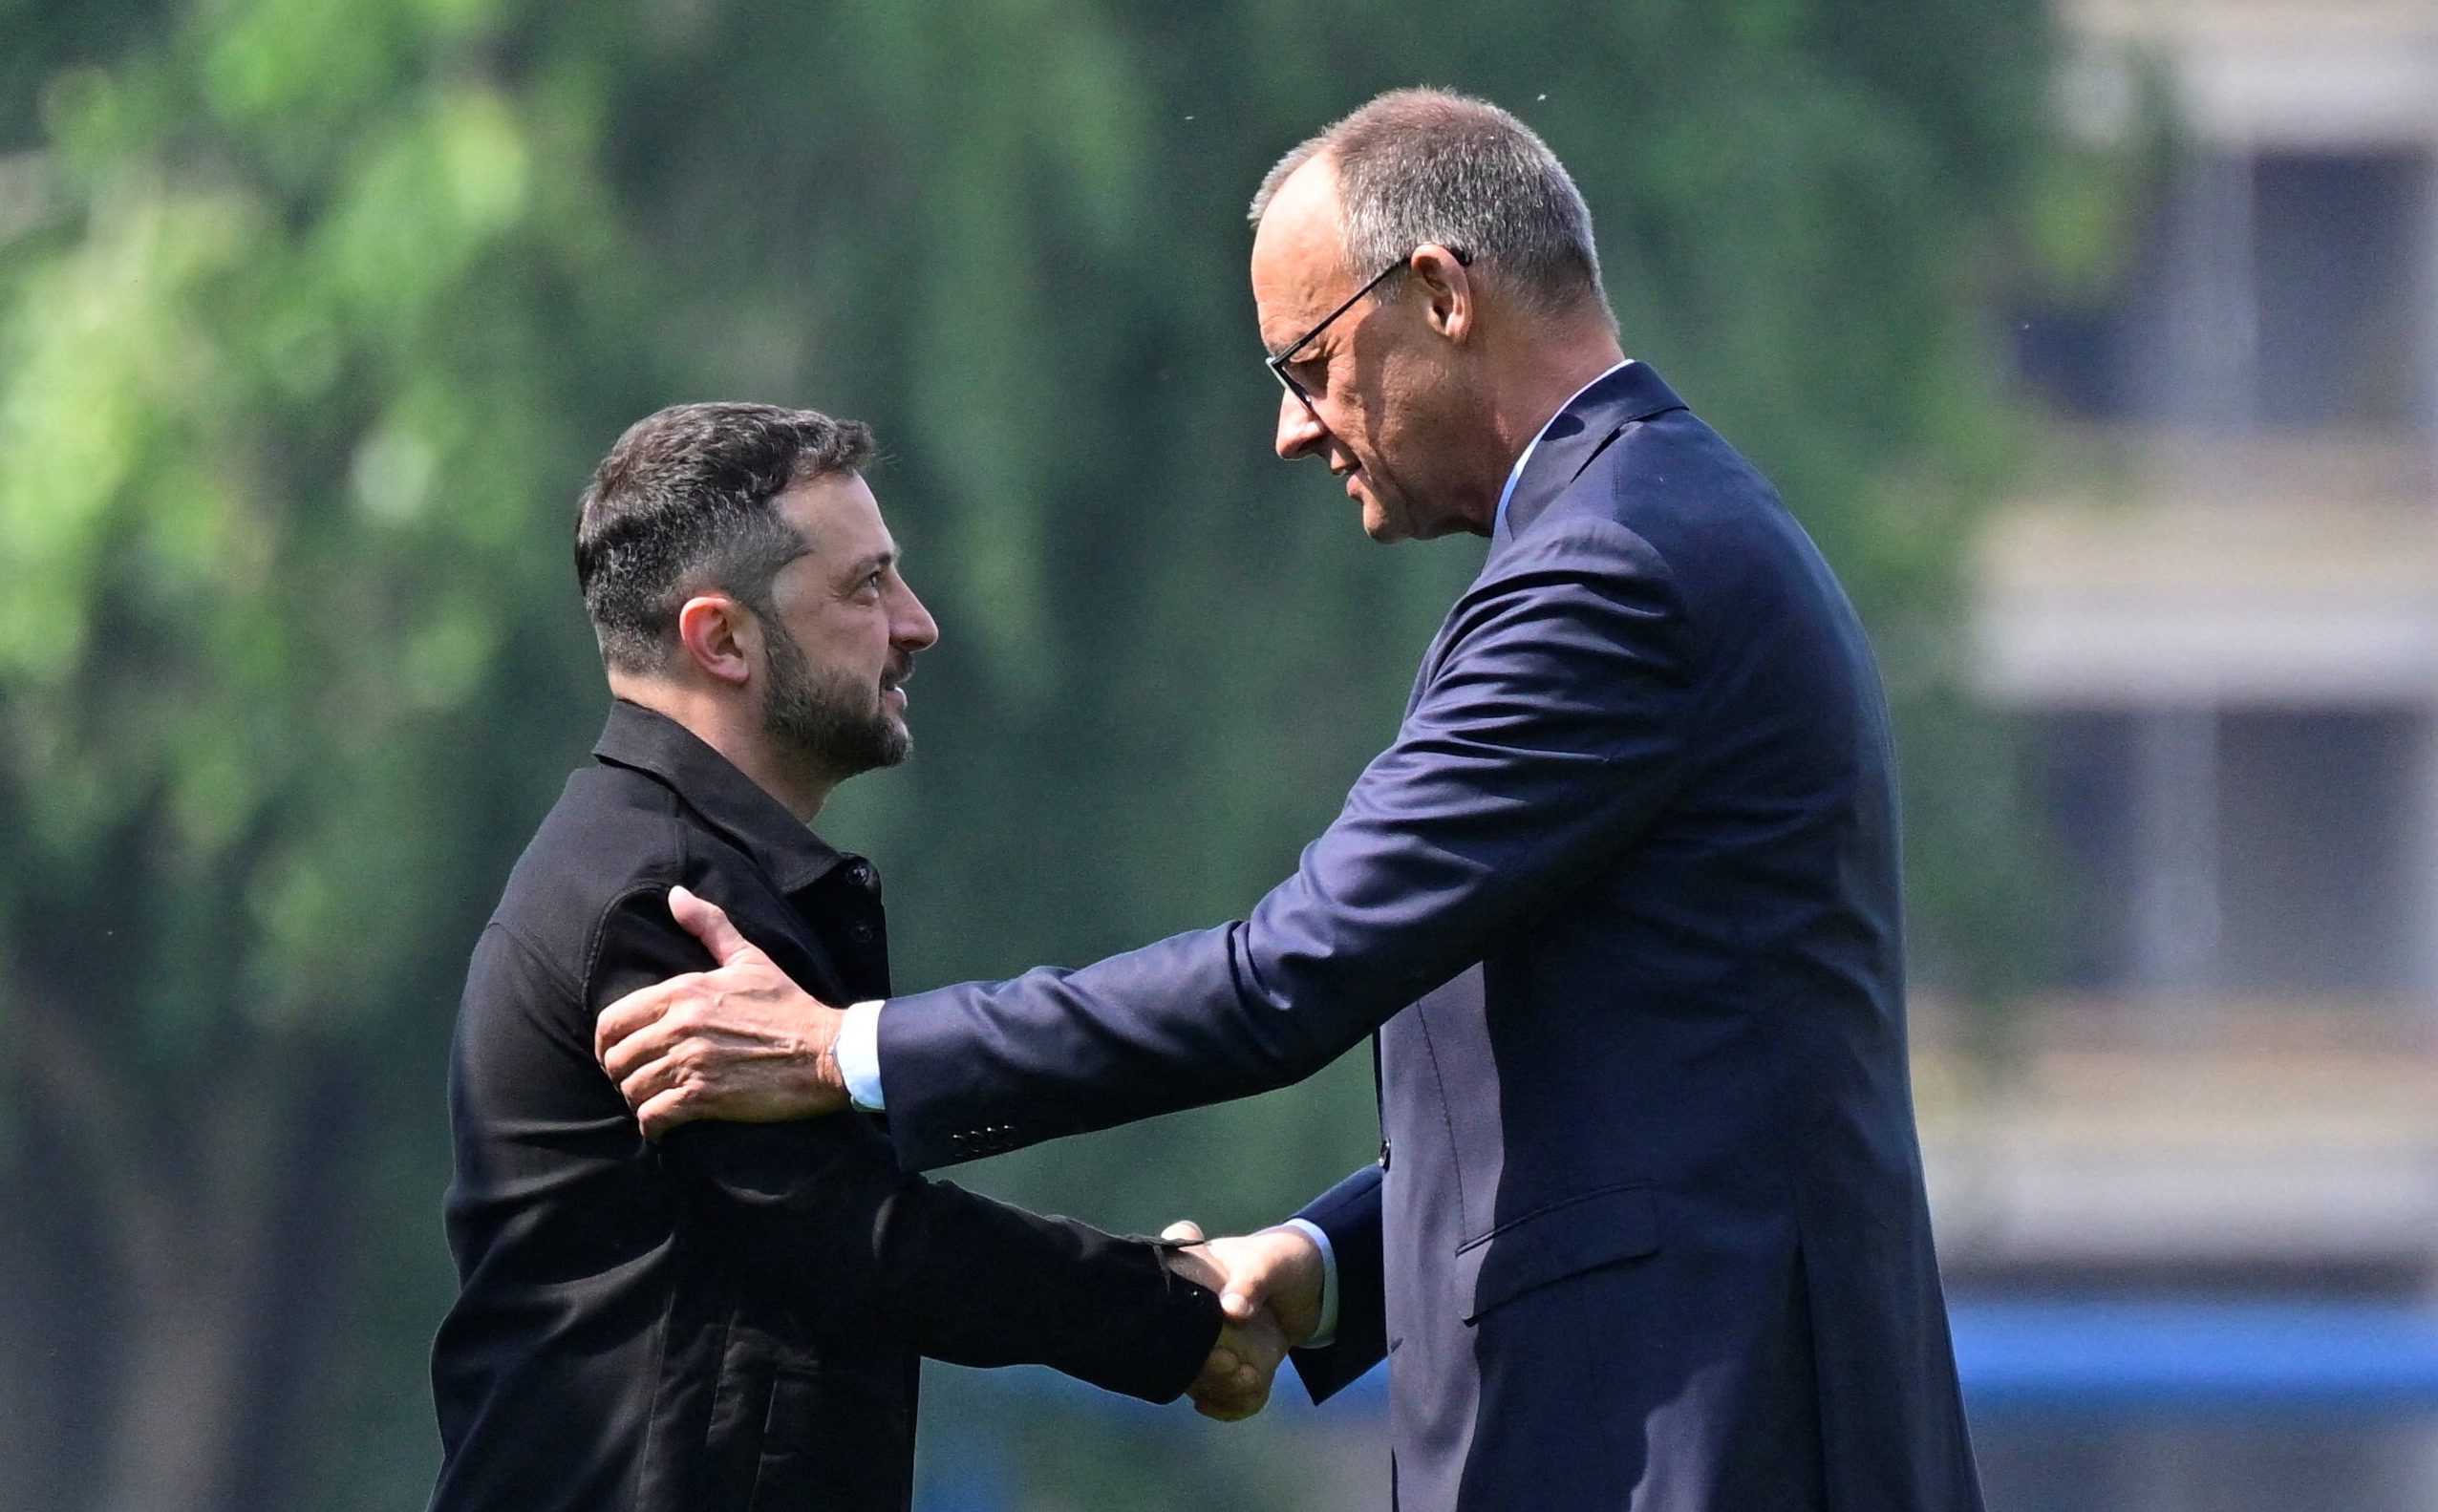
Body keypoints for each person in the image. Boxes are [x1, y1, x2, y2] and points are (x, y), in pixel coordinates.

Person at [596, 91, 1984, 1511]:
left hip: (1699, 1445)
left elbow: (1284, 976)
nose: (1291, 427)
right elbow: (1648, 1085)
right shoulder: (1656, 528)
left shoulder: (1607, 577)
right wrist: (1326, 1268)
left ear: (1439, 293)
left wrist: (847, 1051)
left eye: (1310, 362)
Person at [427, 402, 1281, 1512]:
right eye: (864, 586)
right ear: (720, 639)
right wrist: (1170, 1310)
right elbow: (857, 1233)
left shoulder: (669, 862)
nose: (917, 623)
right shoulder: (663, 897)